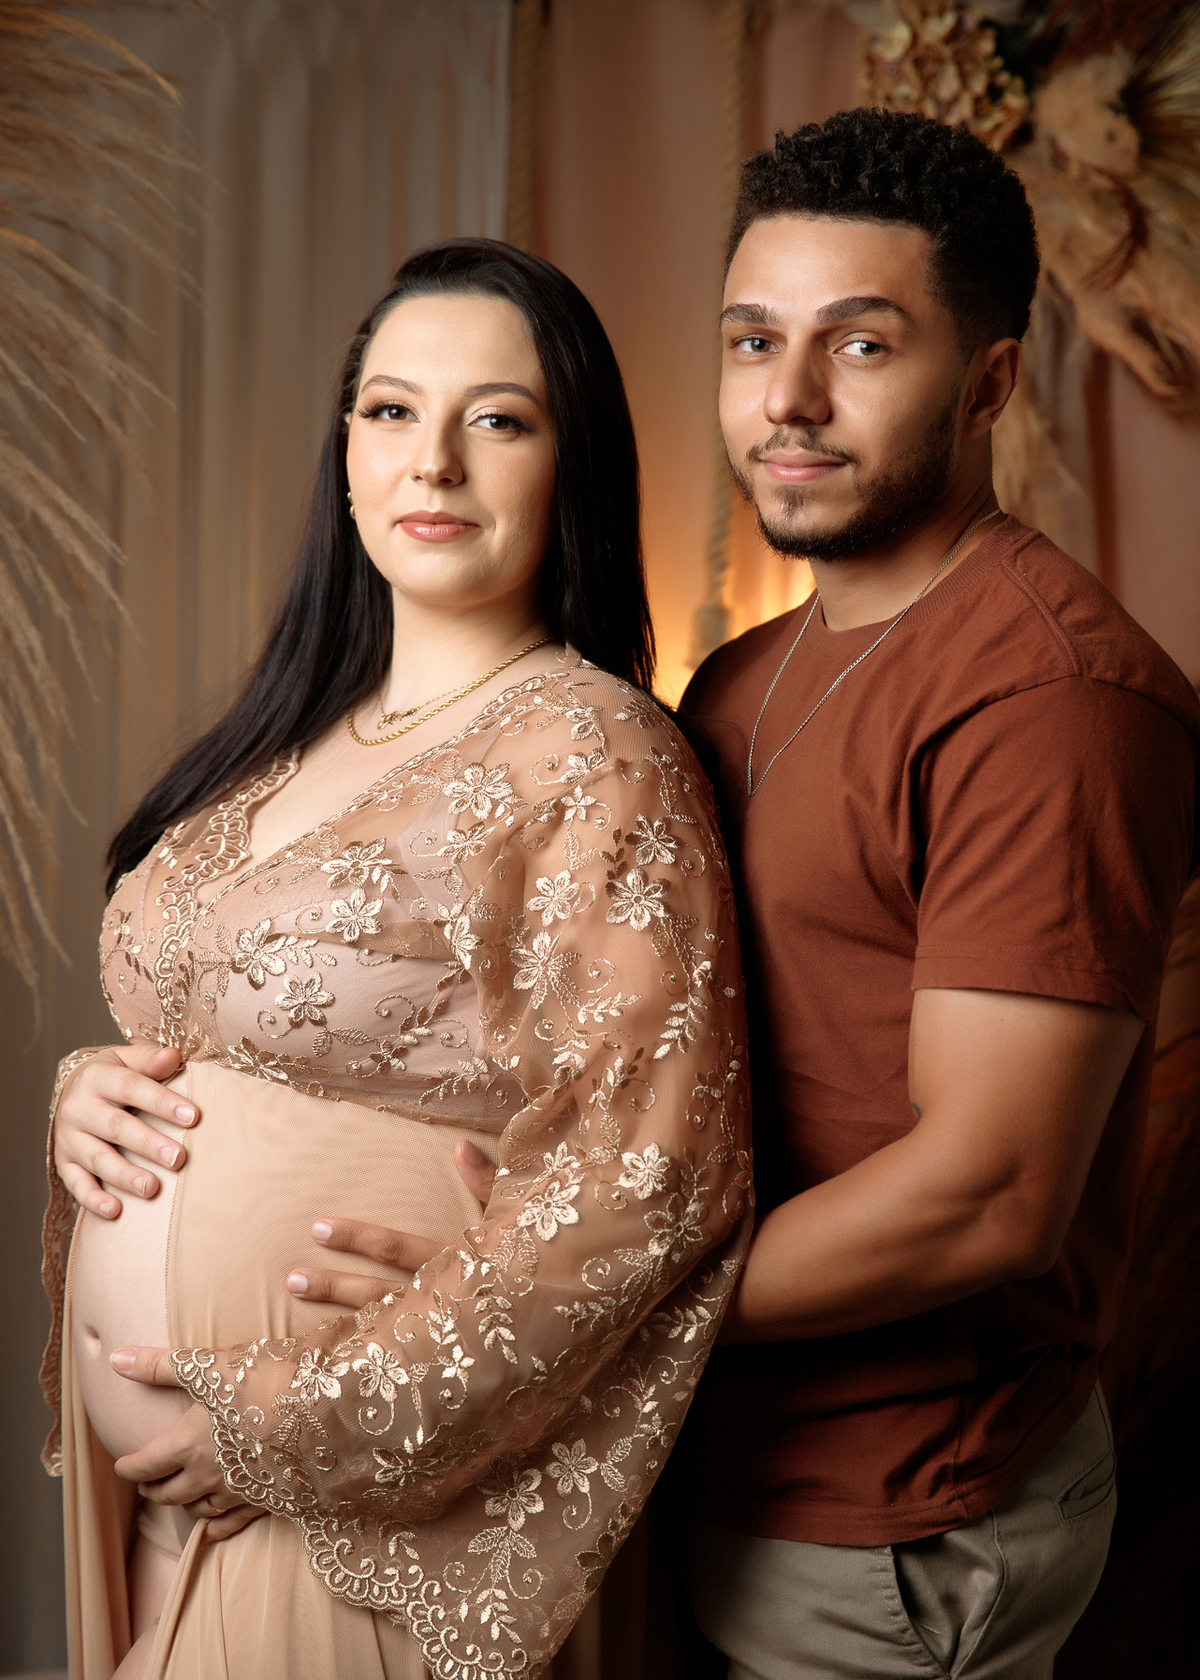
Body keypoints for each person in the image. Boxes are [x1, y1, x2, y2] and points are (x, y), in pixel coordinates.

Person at [42, 237, 751, 1680]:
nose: (433, 461)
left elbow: (651, 1178)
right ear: (347, 451)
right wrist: (90, 1100)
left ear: (571, 463)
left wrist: (313, 1420)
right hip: (161, 1502)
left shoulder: (598, 749)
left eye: (499, 418)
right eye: (390, 411)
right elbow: (211, 1029)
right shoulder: (278, 740)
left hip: (368, 1507)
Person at [669, 109, 1200, 1679]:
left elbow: (989, 1191)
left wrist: (599, 1315)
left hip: (897, 1525)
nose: (789, 397)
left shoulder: (1051, 699)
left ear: (988, 380)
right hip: (712, 1462)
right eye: (753, 339)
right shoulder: (737, 677)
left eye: (861, 343)